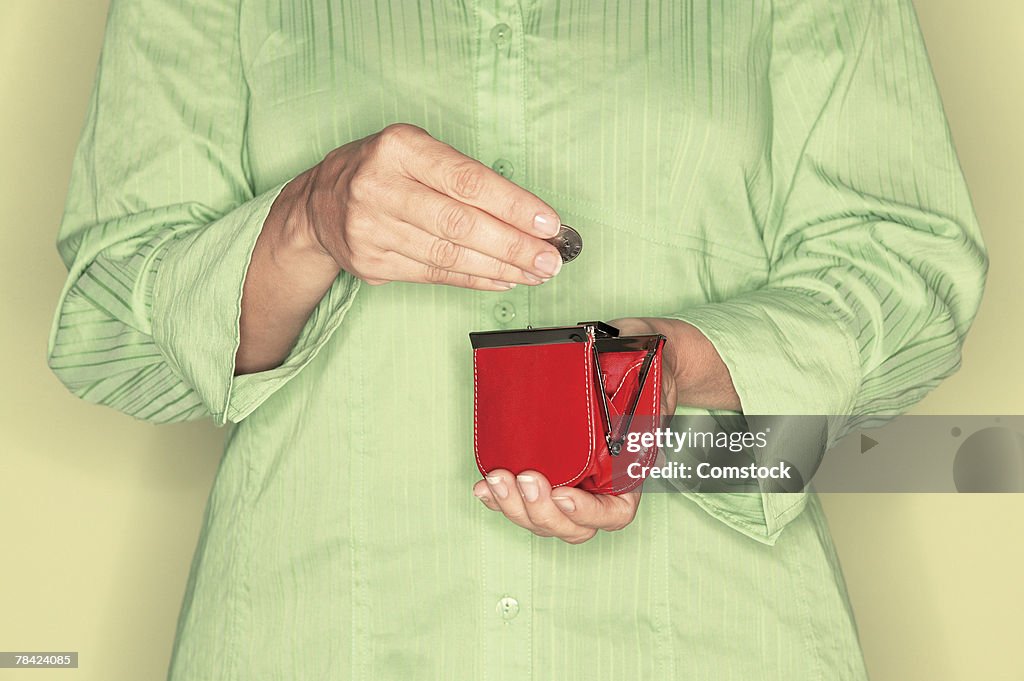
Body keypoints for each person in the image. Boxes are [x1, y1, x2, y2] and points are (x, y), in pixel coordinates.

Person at [48, 0, 987, 678]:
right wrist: (308, 219)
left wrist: (670, 364)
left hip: (715, 633)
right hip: (320, 634)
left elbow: (907, 269)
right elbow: (118, 333)